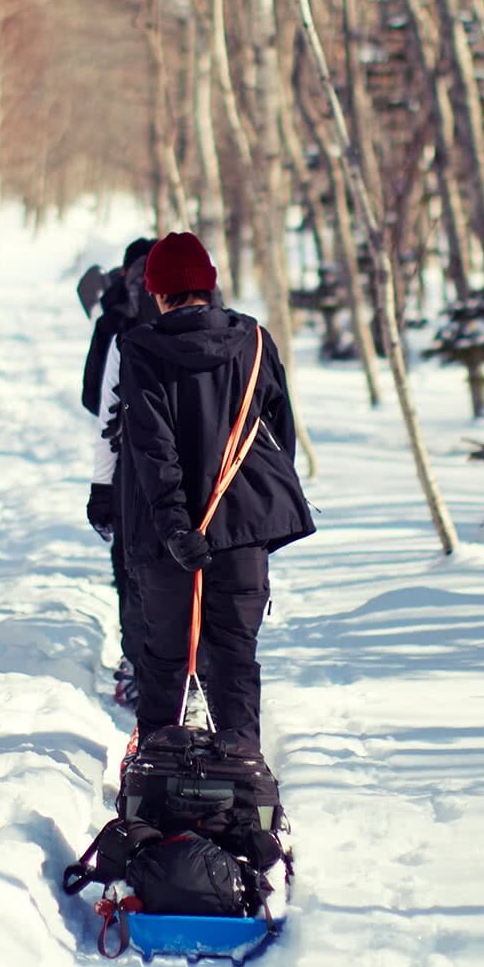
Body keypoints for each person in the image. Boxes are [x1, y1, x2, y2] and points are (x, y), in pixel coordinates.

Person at [117, 231, 315, 749]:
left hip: (168, 539)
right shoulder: (254, 340)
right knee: (234, 658)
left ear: (157, 293)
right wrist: (252, 517)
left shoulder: (140, 348)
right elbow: (279, 436)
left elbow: (151, 446)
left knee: (163, 656)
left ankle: (155, 785)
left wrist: (176, 524)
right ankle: (243, 777)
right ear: (210, 285)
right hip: (243, 524)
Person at [83, 238, 158, 705]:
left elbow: (96, 398)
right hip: (204, 466)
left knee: (131, 567)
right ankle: (191, 670)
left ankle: (136, 663)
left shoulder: (115, 322)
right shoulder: (211, 313)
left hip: (129, 462)